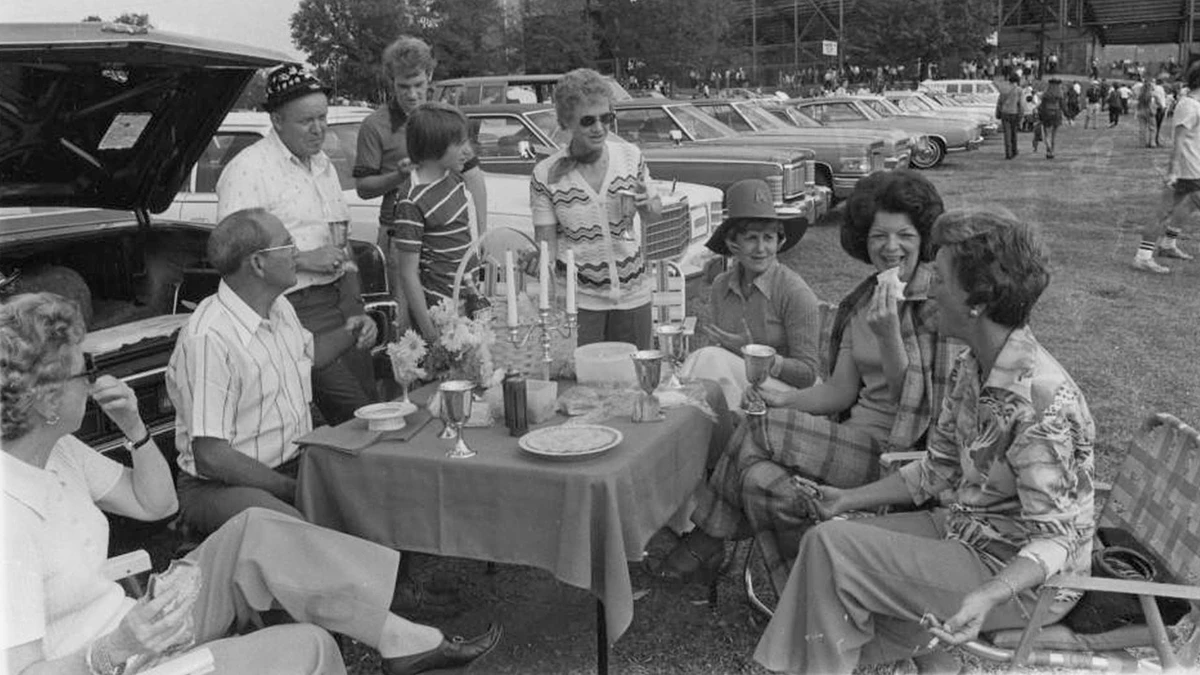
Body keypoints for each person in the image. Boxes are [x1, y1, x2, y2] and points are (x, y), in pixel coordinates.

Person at [1, 292, 502, 675]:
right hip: (121, 660)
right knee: (311, 647)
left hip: (137, 623)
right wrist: (115, 647)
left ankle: (397, 636)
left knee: (257, 528)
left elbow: (154, 504)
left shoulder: (60, 451)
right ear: (46, 402)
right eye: (81, 370)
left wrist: (134, 430)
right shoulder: (7, 518)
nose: (92, 378)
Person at [753, 209, 1095, 675]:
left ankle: (843, 663)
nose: (929, 284)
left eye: (941, 275)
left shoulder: (1039, 402)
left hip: (1021, 580)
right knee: (822, 540)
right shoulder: (972, 366)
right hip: (965, 532)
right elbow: (938, 470)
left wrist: (987, 595)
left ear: (977, 299)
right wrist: (848, 499)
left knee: (836, 553)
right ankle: (892, 664)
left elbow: (1056, 542)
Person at [648, 170, 959, 584]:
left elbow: (925, 412)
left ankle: (708, 538)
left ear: (923, 238)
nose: (891, 247)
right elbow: (838, 391)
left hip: (896, 460)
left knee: (760, 432)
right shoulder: (863, 300)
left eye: (904, 235)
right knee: (759, 477)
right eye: (878, 236)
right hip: (853, 438)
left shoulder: (936, 304)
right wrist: (783, 402)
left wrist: (889, 338)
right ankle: (805, 592)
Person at [167, 208, 358, 532]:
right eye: (287, 245)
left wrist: (355, 330)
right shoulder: (210, 338)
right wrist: (291, 490)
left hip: (292, 464)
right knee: (300, 532)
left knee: (375, 495)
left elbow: (311, 355)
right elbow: (211, 456)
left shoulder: (279, 306)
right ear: (258, 263)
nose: (296, 251)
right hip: (221, 486)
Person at [217, 64, 377, 426]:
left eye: (322, 117)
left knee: (372, 405)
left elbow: (341, 239)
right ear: (276, 120)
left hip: (340, 301)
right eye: (307, 121)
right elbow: (232, 258)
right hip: (290, 311)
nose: (319, 129)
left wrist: (356, 303)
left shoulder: (324, 165)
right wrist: (304, 259)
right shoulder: (248, 170)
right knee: (360, 417)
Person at [354, 36, 489, 330]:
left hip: (447, 231)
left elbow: (473, 175)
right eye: (404, 86)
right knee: (406, 323)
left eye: (418, 84)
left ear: (429, 76)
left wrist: (481, 234)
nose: (413, 94)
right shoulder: (375, 125)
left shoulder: (444, 119)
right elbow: (363, 187)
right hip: (399, 230)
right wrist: (397, 177)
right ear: (392, 81)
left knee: (458, 316)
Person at [530, 68, 662, 349]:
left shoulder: (630, 156)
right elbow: (546, 245)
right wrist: (536, 260)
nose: (599, 128)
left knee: (633, 381)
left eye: (606, 118)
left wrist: (647, 204)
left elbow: (653, 215)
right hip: (580, 302)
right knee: (583, 386)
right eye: (588, 120)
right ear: (566, 122)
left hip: (633, 296)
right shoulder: (545, 174)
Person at [677, 178, 821, 411]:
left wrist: (755, 355)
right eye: (752, 238)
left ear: (780, 242)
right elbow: (722, 354)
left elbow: (808, 375)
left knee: (708, 360)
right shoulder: (721, 286)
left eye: (769, 238)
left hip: (789, 396)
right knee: (707, 362)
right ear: (733, 244)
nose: (761, 249)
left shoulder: (795, 292)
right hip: (740, 386)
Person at [383, 103, 478, 341]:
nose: (468, 151)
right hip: (439, 313)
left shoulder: (454, 178)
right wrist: (430, 332)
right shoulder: (412, 200)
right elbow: (408, 272)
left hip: (468, 301)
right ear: (435, 147)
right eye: (460, 144)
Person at [1132, 65, 1200, 274]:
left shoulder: (1195, 104)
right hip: (1188, 171)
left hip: (1194, 169)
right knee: (1162, 212)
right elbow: (1178, 140)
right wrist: (1173, 169)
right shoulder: (1189, 105)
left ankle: (1165, 246)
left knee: (1187, 204)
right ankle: (1143, 257)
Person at [996, 73, 1022, 159]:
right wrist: (1021, 115)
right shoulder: (1019, 90)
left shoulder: (1004, 89)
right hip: (1014, 112)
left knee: (1007, 133)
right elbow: (1020, 104)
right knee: (1014, 133)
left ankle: (1008, 153)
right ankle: (1014, 150)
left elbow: (999, 102)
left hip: (1005, 112)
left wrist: (998, 112)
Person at [1038, 78, 1066, 159]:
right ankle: (1052, 151)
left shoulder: (1046, 94)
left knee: (1046, 134)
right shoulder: (1060, 94)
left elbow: (1042, 106)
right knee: (1054, 134)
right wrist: (1068, 116)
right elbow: (1063, 106)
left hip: (1047, 113)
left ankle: (1048, 149)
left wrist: (1041, 116)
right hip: (1056, 113)